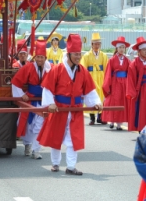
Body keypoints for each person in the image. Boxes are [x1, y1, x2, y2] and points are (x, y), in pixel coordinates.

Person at [37, 34, 102, 176]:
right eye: (75, 54)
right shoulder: (57, 69)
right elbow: (47, 88)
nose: (78, 57)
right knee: (56, 137)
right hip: (60, 108)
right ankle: (55, 163)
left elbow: (90, 89)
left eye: (79, 54)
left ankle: (71, 166)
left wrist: (96, 102)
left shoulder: (83, 71)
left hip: (76, 109)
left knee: (74, 138)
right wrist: (50, 104)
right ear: (69, 54)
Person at [12, 40, 51, 159]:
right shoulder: (28, 68)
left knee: (39, 125)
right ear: (34, 57)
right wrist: (21, 94)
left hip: (44, 100)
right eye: (38, 57)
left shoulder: (51, 69)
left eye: (42, 57)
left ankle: (36, 150)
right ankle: (27, 145)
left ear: (45, 57)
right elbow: (15, 82)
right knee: (28, 125)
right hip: (30, 99)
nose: (40, 59)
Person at [102, 36, 130, 130]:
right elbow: (108, 73)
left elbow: (131, 72)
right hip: (114, 82)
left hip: (124, 84)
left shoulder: (127, 60)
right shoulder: (112, 60)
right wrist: (107, 86)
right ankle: (112, 121)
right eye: (120, 47)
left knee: (122, 102)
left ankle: (119, 123)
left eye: (123, 47)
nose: (122, 49)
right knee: (113, 102)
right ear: (116, 48)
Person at [81, 32, 109, 125]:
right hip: (91, 77)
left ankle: (100, 116)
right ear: (92, 44)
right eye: (95, 43)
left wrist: (106, 79)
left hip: (101, 77)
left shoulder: (103, 55)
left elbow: (106, 68)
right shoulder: (86, 56)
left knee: (101, 96)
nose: (97, 45)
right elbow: (83, 68)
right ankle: (92, 117)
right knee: (91, 96)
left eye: (99, 44)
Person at [126, 37, 146, 132]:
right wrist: (132, 92)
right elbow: (131, 79)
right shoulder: (134, 64)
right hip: (141, 90)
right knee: (140, 110)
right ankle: (140, 129)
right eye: (144, 49)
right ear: (139, 51)